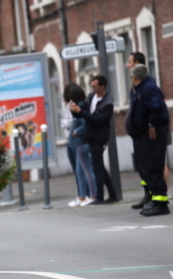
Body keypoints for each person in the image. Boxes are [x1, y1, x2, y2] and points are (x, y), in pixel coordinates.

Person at [126, 52, 172, 208]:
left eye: (130, 62)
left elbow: (157, 109)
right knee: (145, 167)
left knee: (153, 167)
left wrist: (151, 124)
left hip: (151, 134)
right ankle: (152, 198)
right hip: (141, 135)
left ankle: (160, 203)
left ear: (135, 77)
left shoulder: (148, 88)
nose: (127, 65)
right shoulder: (138, 89)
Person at [70, 75, 119, 204]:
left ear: (102, 86)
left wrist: (81, 111)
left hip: (99, 136)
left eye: (95, 86)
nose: (92, 88)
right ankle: (113, 194)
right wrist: (75, 110)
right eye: (91, 86)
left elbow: (97, 120)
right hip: (91, 135)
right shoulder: (91, 97)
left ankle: (99, 197)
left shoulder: (107, 102)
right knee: (99, 166)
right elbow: (84, 112)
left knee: (97, 166)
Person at [67, 83, 97, 206]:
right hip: (77, 143)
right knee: (80, 171)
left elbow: (85, 123)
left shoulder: (81, 107)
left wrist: (76, 132)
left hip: (81, 142)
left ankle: (93, 195)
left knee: (87, 169)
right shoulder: (78, 106)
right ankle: (82, 196)